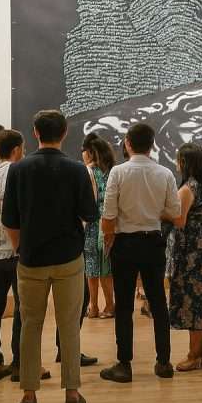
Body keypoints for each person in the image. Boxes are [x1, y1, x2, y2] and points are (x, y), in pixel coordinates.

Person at [2, 109, 97, 403]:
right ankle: (72, 393)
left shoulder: (18, 170)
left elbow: (9, 219)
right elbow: (90, 214)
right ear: (65, 132)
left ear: (35, 132)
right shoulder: (77, 170)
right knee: (69, 326)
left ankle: (29, 395)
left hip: (31, 259)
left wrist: (20, 247)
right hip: (69, 258)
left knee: (30, 325)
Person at [99, 121, 180, 383]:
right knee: (158, 302)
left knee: (123, 305)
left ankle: (124, 364)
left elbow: (108, 214)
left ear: (127, 143)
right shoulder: (165, 173)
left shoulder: (118, 172)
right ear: (152, 145)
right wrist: (152, 211)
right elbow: (175, 212)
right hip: (153, 241)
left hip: (124, 243)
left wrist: (108, 238)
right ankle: (164, 361)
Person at [0, 129, 48, 382]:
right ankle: (20, 364)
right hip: (20, 252)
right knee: (23, 309)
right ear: (16, 150)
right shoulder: (21, 175)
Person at [168, 143, 202, 372]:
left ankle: (195, 354)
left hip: (191, 251)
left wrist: (161, 211)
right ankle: (200, 351)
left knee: (193, 300)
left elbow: (179, 220)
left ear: (185, 162)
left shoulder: (189, 187)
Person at [81, 134, 116, 319]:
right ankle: (110, 305)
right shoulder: (112, 172)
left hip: (92, 224)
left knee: (91, 269)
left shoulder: (87, 172)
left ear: (90, 152)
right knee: (106, 268)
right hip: (109, 223)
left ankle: (93, 306)